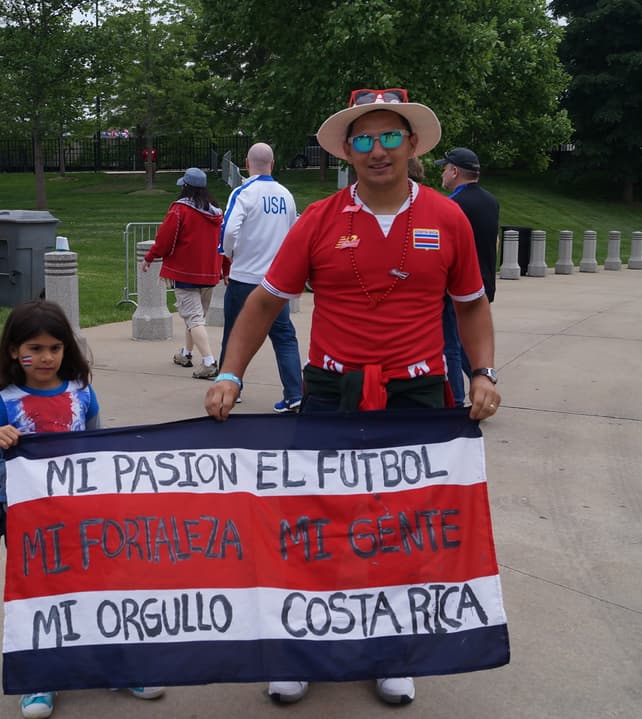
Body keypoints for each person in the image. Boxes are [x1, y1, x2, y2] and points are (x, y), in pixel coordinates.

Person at [203, 87, 501, 706]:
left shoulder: (448, 218)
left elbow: (471, 305)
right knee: (315, 517)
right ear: (347, 151)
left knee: (404, 523)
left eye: (390, 136)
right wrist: (230, 374)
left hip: (419, 392)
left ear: (413, 144)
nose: (377, 150)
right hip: (332, 388)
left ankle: (391, 649)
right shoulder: (317, 219)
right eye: (363, 139)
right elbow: (263, 304)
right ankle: (302, 646)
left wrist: (483, 372)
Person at [0, 300, 166, 719]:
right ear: (13, 351)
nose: (45, 357)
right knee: (40, 598)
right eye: (33, 348)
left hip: (84, 520)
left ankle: (116, 664)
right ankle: (40, 675)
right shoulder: (5, 402)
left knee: (104, 590)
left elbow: (99, 451)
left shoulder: (82, 394)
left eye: (55, 347)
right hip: (30, 527)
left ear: (67, 349)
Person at [218, 142, 303, 412]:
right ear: (273, 164)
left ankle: (231, 388)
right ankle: (294, 392)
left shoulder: (242, 193)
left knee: (234, 334)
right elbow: (294, 235)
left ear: (246, 163)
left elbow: (229, 230)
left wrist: (230, 254)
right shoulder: (285, 195)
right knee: (284, 336)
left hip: (245, 276)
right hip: (274, 280)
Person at [141, 167, 225, 380]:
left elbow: (164, 238)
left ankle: (209, 362)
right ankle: (187, 354)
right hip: (210, 272)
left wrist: (150, 257)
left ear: (186, 187)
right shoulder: (216, 212)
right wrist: (226, 269)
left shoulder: (180, 210)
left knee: (194, 318)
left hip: (185, 271)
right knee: (196, 316)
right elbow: (225, 243)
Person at [437, 147, 501, 404]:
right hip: (483, 283)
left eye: (444, 168)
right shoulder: (491, 201)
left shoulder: (453, 205)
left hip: (456, 287)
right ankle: (484, 383)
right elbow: (494, 241)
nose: (442, 173)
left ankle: (454, 402)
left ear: (454, 171)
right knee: (466, 341)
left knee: (450, 345)